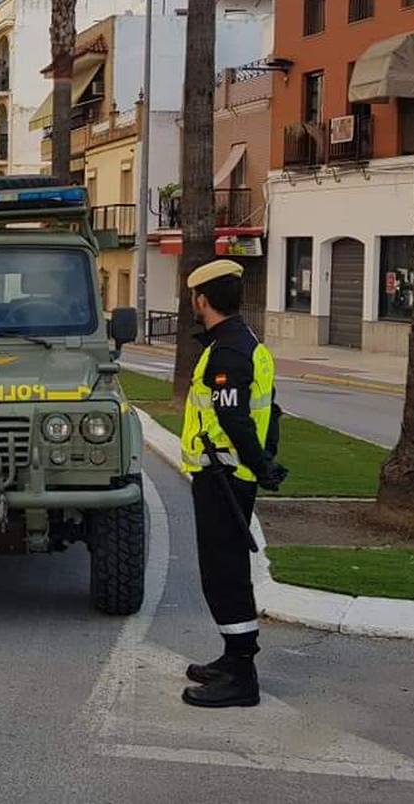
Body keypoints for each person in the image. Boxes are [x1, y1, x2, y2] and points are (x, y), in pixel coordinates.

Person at [179, 260, 286, 709]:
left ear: (201, 299)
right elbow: (271, 412)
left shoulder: (227, 353)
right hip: (230, 474)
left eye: (193, 297)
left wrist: (261, 466)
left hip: (223, 477)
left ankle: (242, 675)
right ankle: (232, 656)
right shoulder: (246, 342)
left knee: (223, 576)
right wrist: (264, 462)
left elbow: (235, 419)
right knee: (225, 571)